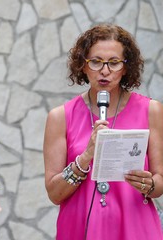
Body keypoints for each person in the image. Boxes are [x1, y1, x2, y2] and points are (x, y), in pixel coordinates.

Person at [43, 23, 163, 240]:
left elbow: (160, 182)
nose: (105, 71)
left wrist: (149, 184)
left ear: (126, 67)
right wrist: (86, 157)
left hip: (135, 226)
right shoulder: (59, 117)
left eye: (114, 63)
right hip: (79, 227)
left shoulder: (152, 110)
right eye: (96, 62)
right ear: (83, 65)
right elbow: (54, 193)